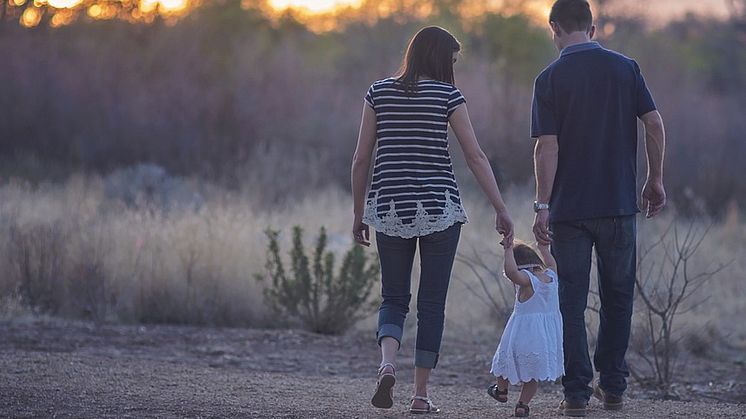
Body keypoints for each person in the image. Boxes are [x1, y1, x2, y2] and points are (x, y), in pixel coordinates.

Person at [350, 26, 514, 414]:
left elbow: (360, 159)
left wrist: (359, 213)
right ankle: (420, 395)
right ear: (441, 58)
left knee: (393, 297)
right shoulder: (448, 96)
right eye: (453, 60)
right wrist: (501, 208)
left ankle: (387, 364)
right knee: (432, 304)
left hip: (389, 209)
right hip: (440, 209)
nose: (454, 67)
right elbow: (475, 157)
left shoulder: (378, 93)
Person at [531, 0, 667, 416]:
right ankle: (614, 388)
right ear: (592, 28)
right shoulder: (626, 68)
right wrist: (655, 179)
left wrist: (542, 205)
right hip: (619, 205)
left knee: (570, 301)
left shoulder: (549, 77)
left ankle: (575, 395)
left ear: (554, 28)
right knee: (618, 297)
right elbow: (655, 123)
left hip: (570, 210)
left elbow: (546, 146)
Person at [488, 241, 564, 417]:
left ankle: (501, 390)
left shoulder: (528, 281)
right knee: (532, 374)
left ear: (521, 266)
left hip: (522, 335)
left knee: (504, 361)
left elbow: (511, 272)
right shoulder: (551, 276)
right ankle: (522, 405)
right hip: (544, 338)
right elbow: (552, 263)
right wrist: (543, 248)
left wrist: (508, 250)